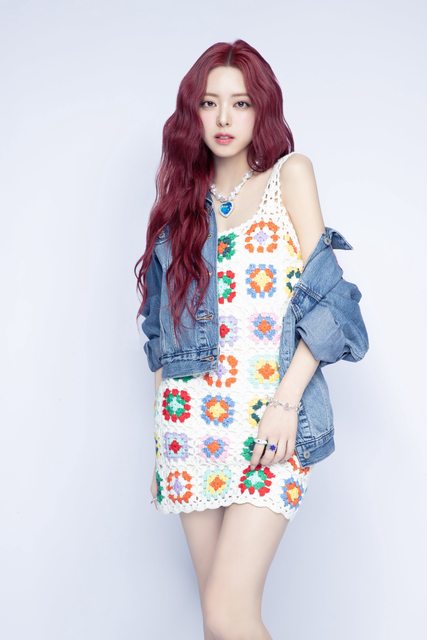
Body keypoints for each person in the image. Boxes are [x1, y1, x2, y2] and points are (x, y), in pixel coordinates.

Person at [134, 39, 369, 640]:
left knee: (229, 614)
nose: (223, 118)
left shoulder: (289, 176)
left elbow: (333, 301)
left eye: (240, 103)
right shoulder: (180, 212)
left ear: (261, 110)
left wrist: (287, 402)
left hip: (270, 420)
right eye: (209, 103)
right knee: (218, 624)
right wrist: (163, 429)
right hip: (190, 427)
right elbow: (159, 330)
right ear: (192, 113)